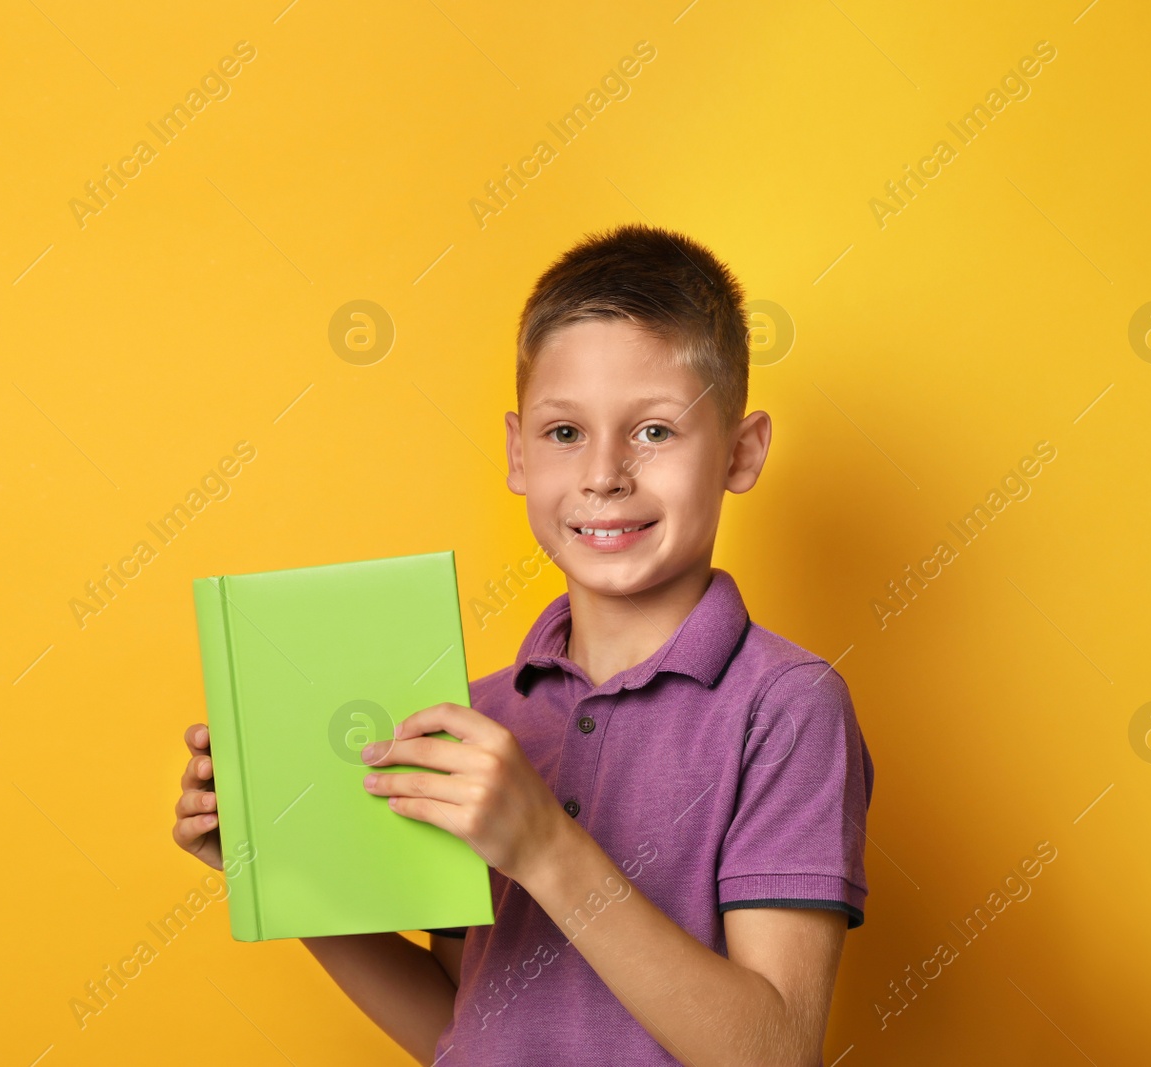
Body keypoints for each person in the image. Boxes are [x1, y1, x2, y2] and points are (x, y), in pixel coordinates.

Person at [173, 222, 874, 1065]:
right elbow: (456, 1022)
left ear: (741, 450)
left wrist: (545, 848)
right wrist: (280, 870)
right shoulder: (478, 713)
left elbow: (772, 1052)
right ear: (516, 452)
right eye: (564, 432)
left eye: (655, 431)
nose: (604, 473)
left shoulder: (786, 706)